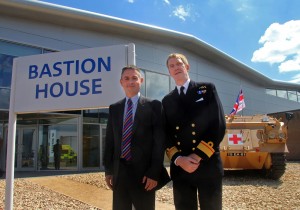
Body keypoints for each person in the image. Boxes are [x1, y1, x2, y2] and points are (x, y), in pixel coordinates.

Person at [162, 53, 226, 210]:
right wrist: (179, 159)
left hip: (207, 165)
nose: (176, 68)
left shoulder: (206, 90)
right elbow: (166, 134)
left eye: (179, 64)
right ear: (169, 72)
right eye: (171, 66)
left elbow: (218, 125)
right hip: (181, 169)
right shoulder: (167, 100)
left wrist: (197, 156)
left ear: (187, 67)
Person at [104, 65, 168, 210]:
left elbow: (159, 142)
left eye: (134, 78)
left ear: (141, 80)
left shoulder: (154, 106)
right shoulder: (114, 108)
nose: (130, 81)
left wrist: (154, 172)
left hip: (145, 175)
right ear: (121, 82)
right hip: (119, 173)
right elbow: (110, 141)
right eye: (126, 78)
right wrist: (108, 170)